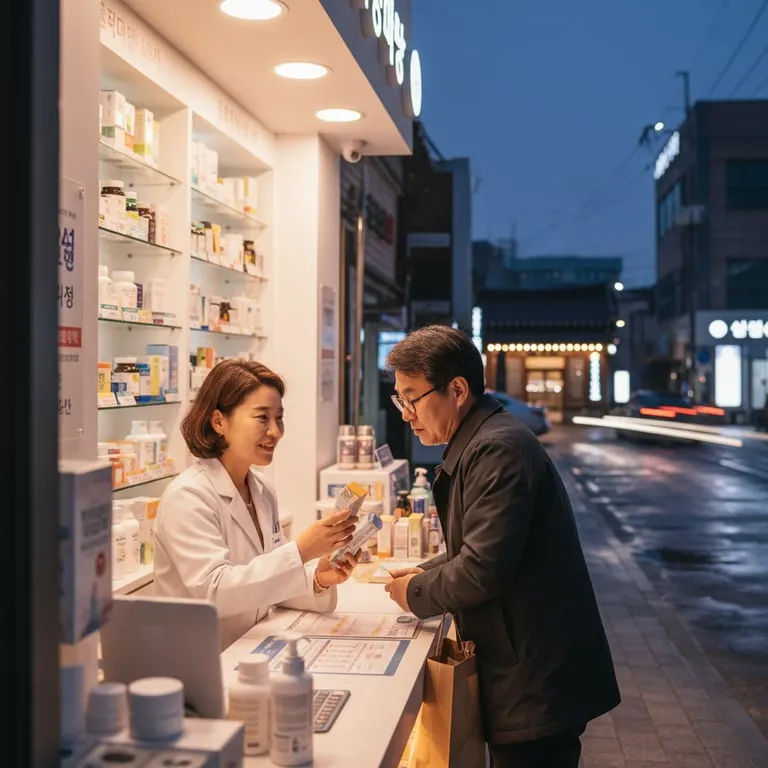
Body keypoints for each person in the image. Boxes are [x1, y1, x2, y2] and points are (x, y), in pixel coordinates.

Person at [383, 326, 620, 768]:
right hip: (526, 665)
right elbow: (478, 546)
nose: (405, 413)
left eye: (411, 398)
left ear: (457, 390)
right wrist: (425, 573)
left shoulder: (496, 450)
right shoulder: (481, 441)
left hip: (534, 678)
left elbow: (482, 569)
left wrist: (417, 593)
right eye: (400, 399)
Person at [154, 359, 358, 650]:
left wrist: (318, 579)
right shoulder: (188, 496)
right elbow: (216, 592)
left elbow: (266, 583)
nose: (275, 431)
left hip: (249, 648)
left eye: (279, 418)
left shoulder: (262, 490)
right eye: (262, 418)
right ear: (219, 422)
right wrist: (300, 551)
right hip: (199, 658)